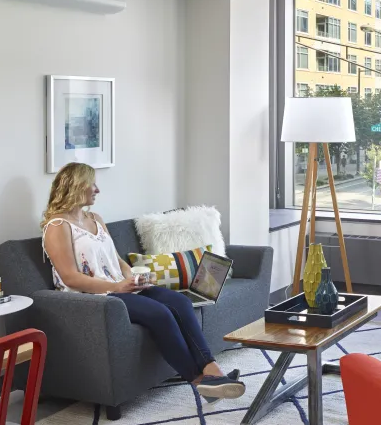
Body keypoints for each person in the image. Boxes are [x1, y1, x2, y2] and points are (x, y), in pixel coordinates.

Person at [41, 162, 245, 400]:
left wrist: (134, 278)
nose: (97, 190)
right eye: (92, 184)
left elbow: (116, 260)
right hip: (93, 298)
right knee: (160, 314)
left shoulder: (94, 218)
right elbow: (69, 277)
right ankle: (199, 381)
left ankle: (212, 369)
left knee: (180, 302)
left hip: (120, 287)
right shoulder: (57, 226)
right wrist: (117, 287)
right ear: (76, 186)